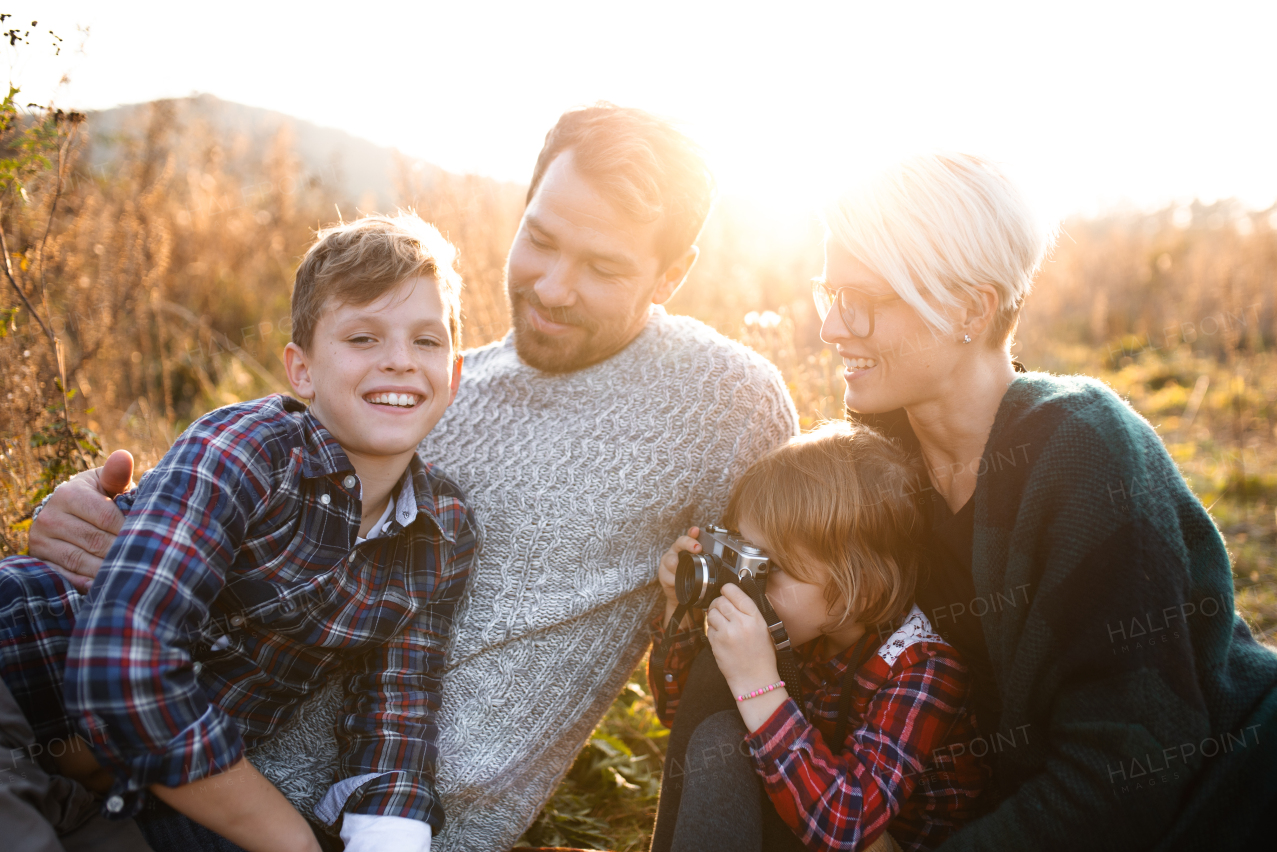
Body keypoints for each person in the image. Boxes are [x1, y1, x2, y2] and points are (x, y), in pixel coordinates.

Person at [25, 103, 800, 851]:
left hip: (397, 824)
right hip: (195, 773)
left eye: (602, 267)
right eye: (541, 238)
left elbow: (789, 625)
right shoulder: (431, 388)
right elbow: (225, 507)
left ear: (671, 275)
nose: (555, 286)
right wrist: (89, 515)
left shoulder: (725, 402)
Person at [672, 151, 1277, 850]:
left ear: (970, 308)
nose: (833, 329)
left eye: (863, 303)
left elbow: (1123, 775)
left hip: (1228, 796)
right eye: (828, 295)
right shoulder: (875, 464)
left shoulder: (1086, 450)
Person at [1, 213, 476, 852]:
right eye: (362, 338)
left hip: (135, 780)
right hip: (22, 683)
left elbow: (396, 715)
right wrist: (295, 842)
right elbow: (121, 671)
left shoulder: (442, 532)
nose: (399, 361)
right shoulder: (250, 449)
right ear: (301, 370)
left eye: (426, 341)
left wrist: (387, 837)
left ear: (454, 373)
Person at [649, 422, 987, 852]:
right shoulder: (797, 624)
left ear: (858, 591)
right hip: (801, 804)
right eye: (746, 556)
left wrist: (758, 684)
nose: (750, 585)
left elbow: (850, 827)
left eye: (772, 569)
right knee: (717, 729)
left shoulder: (923, 669)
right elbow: (677, 713)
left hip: (870, 837)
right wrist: (674, 606)